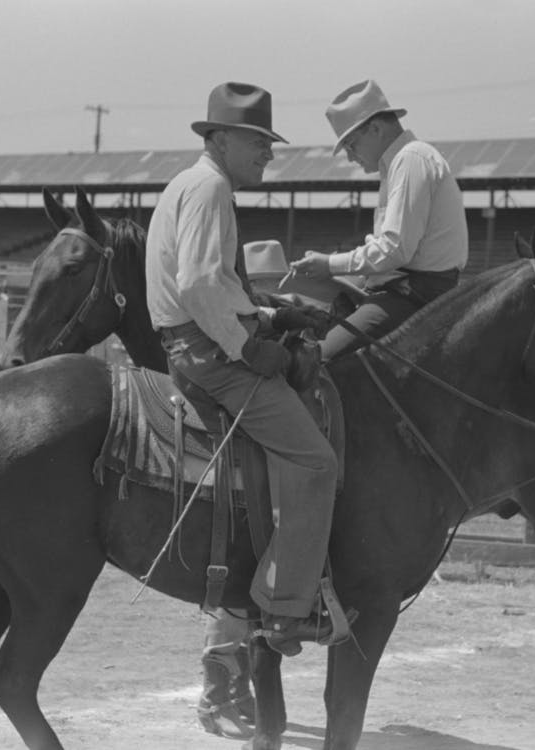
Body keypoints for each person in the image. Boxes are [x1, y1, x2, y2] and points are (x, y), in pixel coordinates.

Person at [145, 82, 347, 675]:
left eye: (268, 142)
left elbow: (213, 286)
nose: (267, 152)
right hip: (212, 353)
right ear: (221, 138)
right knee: (317, 462)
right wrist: (249, 346)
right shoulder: (210, 188)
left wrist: (272, 315)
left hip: (191, 341)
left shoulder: (192, 183)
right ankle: (284, 608)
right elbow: (201, 286)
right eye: (258, 141)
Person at [290, 79, 469, 361]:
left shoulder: (410, 160)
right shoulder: (402, 162)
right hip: (403, 287)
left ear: (375, 128)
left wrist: (330, 264)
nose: (350, 157)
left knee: (317, 359)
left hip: (412, 296)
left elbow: (395, 249)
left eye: (351, 144)